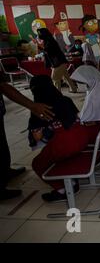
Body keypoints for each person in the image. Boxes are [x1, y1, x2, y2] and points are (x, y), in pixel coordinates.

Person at [28, 75, 91, 202]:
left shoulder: (39, 108)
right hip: (82, 139)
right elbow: (74, 117)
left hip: (65, 144)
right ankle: (70, 179)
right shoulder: (66, 99)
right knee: (57, 154)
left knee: (38, 163)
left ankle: (62, 190)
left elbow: (38, 136)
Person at [0, 72, 54, 200]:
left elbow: (37, 138)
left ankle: (5, 171)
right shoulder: (64, 101)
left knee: (2, 144)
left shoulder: (37, 117)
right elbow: (3, 86)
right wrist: (32, 106)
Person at [37, 28, 78, 93]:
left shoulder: (49, 41)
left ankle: (57, 94)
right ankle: (73, 88)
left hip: (58, 63)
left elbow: (48, 51)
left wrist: (39, 46)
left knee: (55, 78)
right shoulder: (49, 40)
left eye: (39, 34)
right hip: (61, 61)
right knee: (65, 76)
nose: (38, 36)